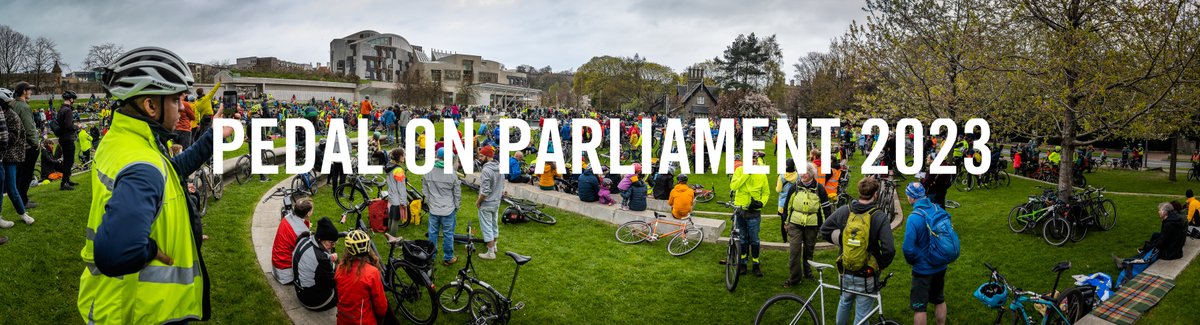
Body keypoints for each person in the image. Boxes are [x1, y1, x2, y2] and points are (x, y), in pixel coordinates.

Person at [79, 47, 234, 324]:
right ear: (151, 106)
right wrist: (151, 251)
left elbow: (169, 171)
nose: (183, 108)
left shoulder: (123, 139)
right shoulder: (143, 165)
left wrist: (212, 137)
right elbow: (115, 252)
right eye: (176, 100)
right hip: (143, 309)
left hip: (117, 302)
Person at [820, 177, 896, 325]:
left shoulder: (845, 210)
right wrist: (881, 264)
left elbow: (825, 230)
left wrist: (844, 242)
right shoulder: (879, 216)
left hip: (846, 267)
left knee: (844, 301)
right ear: (875, 194)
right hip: (867, 272)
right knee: (862, 313)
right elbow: (889, 249)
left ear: (859, 192)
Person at [902, 183, 950, 325]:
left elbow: (908, 249)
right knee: (939, 299)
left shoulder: (914, 217)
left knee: (920, 308)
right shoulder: (937, 208)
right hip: (940, 264)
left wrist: (914, 261)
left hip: (923, 269)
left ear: (911, 198)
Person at [782, 163, 829, 288]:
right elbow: (787, 206)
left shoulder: (820, 188)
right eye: (801, 172)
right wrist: (785, 223)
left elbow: (826, 208)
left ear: (812, 174)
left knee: (809, 251)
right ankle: (794, 278)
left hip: (812, 225)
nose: (802, 175)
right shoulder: (794, 187)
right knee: (794, 251)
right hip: (795, 223)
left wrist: (825, 226)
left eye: (806, 173)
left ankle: (808, 273)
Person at [729, 152, 771, 277]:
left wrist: (761, 203)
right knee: (742, 239)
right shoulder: (739, 171)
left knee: (754, 239)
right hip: (740, 210)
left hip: (754, 211)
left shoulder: (761, 174)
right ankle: (743, 263)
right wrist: (747, 174)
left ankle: (756, 264)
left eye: (754, 160)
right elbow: (734, 186)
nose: (753, 162)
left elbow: (766, 193)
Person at [335, 230, 388, 325]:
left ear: (348, 250)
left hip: (342, 319)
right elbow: (381, 307)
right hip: (362, 321)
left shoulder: (340, 267)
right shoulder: (372, 272)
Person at [0, 87, 34, 227]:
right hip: (3, 154)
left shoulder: (11, 115)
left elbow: (13, 137)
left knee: (11, 187)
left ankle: (23, 213)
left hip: (9, 156)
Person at [423, 148, 462, 266]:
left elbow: (425, 190)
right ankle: (448, 257)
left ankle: (431, 257)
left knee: (432, 233)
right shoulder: (452, 174)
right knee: (448, 234)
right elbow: (457, 193)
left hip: (434, 208)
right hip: (448, 209)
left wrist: (429, 202)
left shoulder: (428, 171)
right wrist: (457, 206)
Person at [292, 217, 339, 311]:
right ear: (320, 239)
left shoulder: (304, 240)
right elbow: (332, 283)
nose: (333, 246)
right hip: (314, 302)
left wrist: (329, 257)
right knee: (345, 287)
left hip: (300, 292)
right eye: (331, 242)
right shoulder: (321, 259)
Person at [11, 82, 40, 209]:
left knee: (19, 174)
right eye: (29, 90)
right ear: (24, 91)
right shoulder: (24, 106)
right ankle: (23, 200)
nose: (31, 92)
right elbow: (29, 128)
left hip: (17, 146)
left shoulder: (13, 104)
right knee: (26, 174)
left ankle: (19, 199)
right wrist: (36, 143)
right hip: (27, 147)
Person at [272, 198, 313, 284]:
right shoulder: (301, 232)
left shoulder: (288, 217)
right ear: (308, 213)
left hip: (277, 264)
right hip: (286, 273)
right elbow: (307, 254)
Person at [475, 145, 505, 260]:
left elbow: (485, 191)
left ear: (488, 156)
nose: (480, 158)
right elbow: (502, 185)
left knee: (487, 227)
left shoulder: (486, 170)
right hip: (496, 201)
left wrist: (479, 201)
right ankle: (494, 246)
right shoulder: (500, 167)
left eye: (481, 156)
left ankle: (490, 252)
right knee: (493, 224)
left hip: (487, 203)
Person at [56, 91, 81, 190]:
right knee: (69, 161)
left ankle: (67, 180)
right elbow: (69, 126)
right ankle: (64, 183)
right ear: (71, 99)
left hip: (62, 138)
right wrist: (77, 126)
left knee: (67, 160)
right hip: (67, 138)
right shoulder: (68, 110)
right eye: (73, 99)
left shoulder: (61, 109)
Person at [384, 148, 409, 237]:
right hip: (397, 198)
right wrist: (403, 202)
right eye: (403, 155)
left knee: (391, 217)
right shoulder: (398, 170)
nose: (404, 157)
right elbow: (401, 188)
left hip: (391, 196)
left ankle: (389, 237)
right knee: (395, 220)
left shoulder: (389, 166)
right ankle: (393, 240)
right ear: (399, 156)